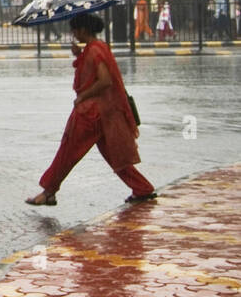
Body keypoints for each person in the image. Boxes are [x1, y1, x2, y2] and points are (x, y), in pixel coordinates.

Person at [26, 12, 155, 206]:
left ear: (83, 30)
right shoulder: (96, 48)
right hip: (104, 114)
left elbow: (104, 81)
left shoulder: (95, 51)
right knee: (115, 156)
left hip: (91, 113)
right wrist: (79, 55)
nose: (73, 34)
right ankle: (142, 188)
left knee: (68, 152)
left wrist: (82, 97)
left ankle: (49, 191)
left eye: (75, 30)